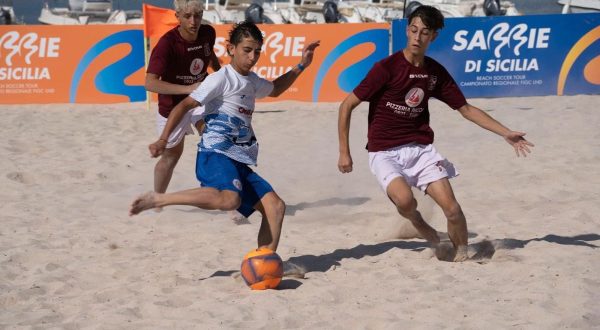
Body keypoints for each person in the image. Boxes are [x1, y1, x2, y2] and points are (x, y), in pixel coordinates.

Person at [337, 5, 533, 262]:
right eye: (414, 30)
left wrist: (505, 132)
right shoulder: (385, 68)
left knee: (452, 209)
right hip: (384, 151)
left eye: (425, 32)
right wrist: (344, 152)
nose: (418, 37)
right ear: (407, 31)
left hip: (420, 150)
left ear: (433, 37)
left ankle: (461, 254)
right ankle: (419, 224)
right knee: (406, 202)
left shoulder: (434, 72)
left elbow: (465, 109)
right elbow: (346, 105)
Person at [130, 21, 320, 252]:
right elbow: (184, 106)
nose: (252, 57)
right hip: (215, 153)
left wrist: (302, 65)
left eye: (257, 51)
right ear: (231, 49)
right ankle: (159, 199)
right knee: (230, 200)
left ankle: (262, 261)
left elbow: (276, 88)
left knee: (276, 206)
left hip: (238, 158)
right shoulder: (220, 78)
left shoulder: (252, 80)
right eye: (247, 50)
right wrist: (163, 140)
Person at [145, 0, 220, 203]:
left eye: (197, 15)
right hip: (171, 107)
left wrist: (221, 77)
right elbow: (150, 83)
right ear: (177, 17)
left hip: (200, 101)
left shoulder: (208, 33)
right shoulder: (167, 44)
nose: (193, 20)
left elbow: (210, 55)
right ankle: (158, 200)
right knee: (170, 157)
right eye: (187, 16)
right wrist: (186, 89)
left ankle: (227, 200)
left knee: (216, 141)